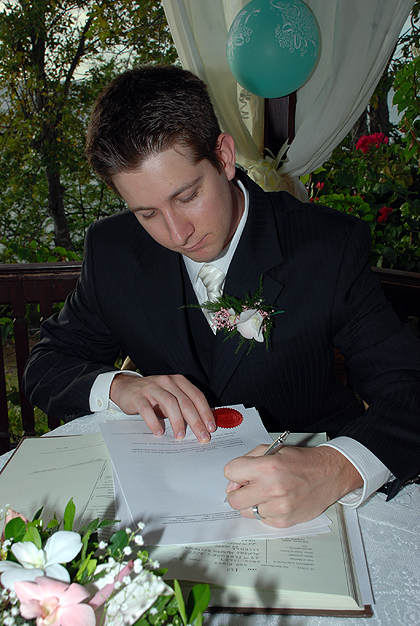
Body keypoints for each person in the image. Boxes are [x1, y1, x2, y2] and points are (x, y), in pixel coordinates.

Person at [23, 64, 420, 529]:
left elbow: (407, 388)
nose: (177, 233)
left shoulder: (328, 246)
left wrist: (335, 468)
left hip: (315, 499)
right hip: (169, 500)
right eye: (147, 212)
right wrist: (119, 386)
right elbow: (46, 364)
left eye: (187, 196)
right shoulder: (112, 252)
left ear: (225, 157)